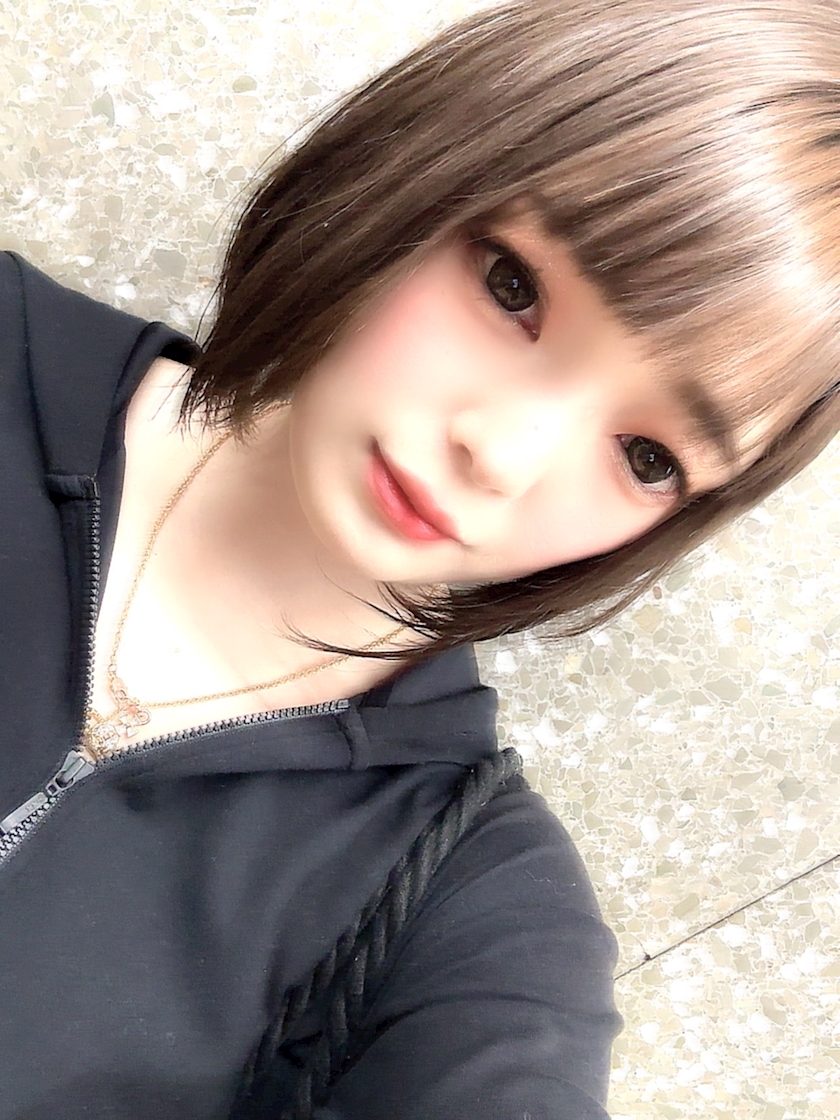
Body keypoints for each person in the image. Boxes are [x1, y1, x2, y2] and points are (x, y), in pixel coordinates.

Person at [1, 0, 838, 1117]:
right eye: (513, 287)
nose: (503, 453)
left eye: (648, 457)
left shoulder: (460, 899)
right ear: (416, 163)